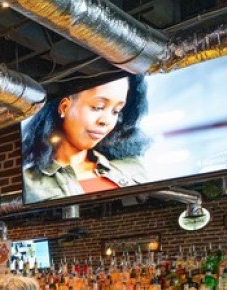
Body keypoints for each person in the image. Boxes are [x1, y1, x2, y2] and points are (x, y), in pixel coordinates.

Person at [21, 75, 150, 203]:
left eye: (116, 111)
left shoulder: (132, 167)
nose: (106, 121)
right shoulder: (28, 183)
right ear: (64, 107)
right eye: (98, 107)